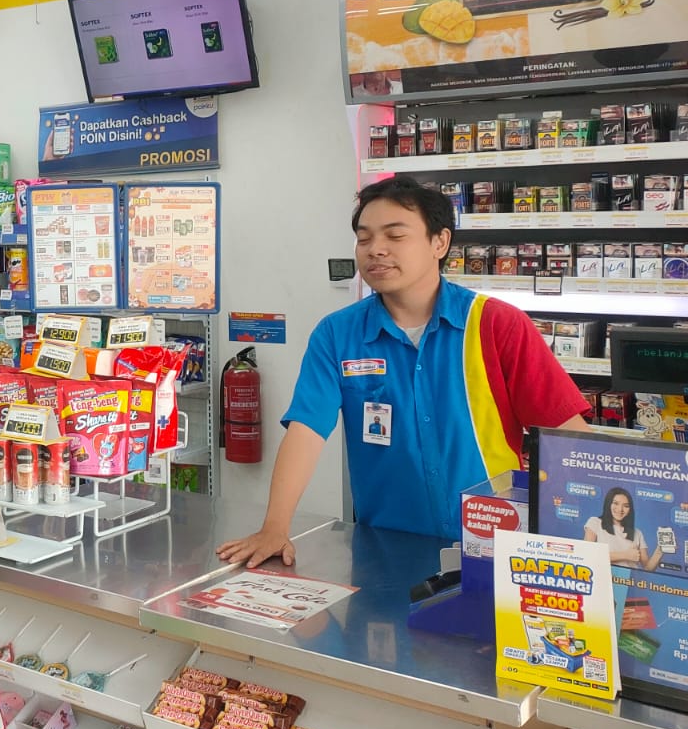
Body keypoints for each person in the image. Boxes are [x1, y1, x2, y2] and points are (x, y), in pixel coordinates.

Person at [218, 176, 591, 566]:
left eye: (395, 236)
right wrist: (275, 527)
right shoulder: (337, 334)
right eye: (364, 239)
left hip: (495, 550)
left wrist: (584, 538)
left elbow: (570, 440)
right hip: (386, 550)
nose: (376, 249)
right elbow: (306, 431)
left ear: (439, 243)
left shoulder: (496, 325)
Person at [584, 487, 664, 570]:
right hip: (605, 576)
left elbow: (648, 569)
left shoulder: (637, 533)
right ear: (608, 504)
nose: (620, 509)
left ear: (630, 509)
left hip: (631, 577)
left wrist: (660, 550)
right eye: (616, 503)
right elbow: (587, 555)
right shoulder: (595, 522)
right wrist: (625, 555)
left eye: (626, 506)